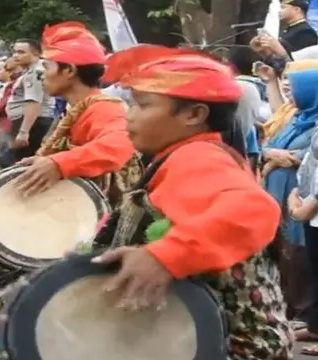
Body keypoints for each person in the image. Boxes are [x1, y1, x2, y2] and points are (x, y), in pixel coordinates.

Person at [92, 44, 292, 359]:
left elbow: (255, 208)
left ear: (194, 114)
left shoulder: (198, 157)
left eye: (142, 105)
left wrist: (166, 256)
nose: (129, 116)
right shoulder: (179, 157)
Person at [12, 22, 135, 204]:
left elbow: (119, 144)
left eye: (47, 67)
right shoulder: (78, 107)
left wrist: (60, 164)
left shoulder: (105, 108)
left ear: (69, 70)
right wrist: (45, 161)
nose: (41, 75)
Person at [263, 62, 318, 323]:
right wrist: (272, 156)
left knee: (301, 253)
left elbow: (302, 156)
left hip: (302, 197)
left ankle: (305, 312)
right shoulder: (295, 118)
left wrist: (274, 158)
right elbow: (270, 146)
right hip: (281, 192)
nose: (289, 92)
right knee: (284, 251)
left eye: (294, 86)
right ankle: (292, 309)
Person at [0, 39, 56, 167]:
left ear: (35, 54)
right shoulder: (31, 70)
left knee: (15, 164)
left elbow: (34, 102)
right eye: (15, 52)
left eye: (21, 52)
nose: (15, 55)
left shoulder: (35, 72)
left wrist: (24, 132)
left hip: (32, 122)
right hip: (30, 121)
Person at [289, 131, 318, 355]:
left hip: (312, 206)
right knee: (315, 273)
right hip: (312, 210)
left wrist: (304, 208)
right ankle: (316, 327)